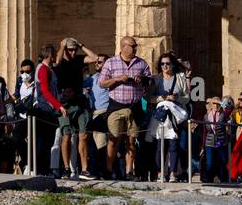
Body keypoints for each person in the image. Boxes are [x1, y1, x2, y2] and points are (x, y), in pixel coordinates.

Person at [99, 37, 152, 180]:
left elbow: (150, 80)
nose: (135, 48)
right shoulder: (111, 62)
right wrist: (117, 79)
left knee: (131, 140)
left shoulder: (141, 63)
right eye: (132, 46)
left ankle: (129, 172)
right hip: (116, 106)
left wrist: (142, 79)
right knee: (113, 139)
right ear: (123, 47)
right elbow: (102, 83)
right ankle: (108, 170)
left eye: (136, 46)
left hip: (134, 106)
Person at [146, 51, 190, 182]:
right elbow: (149, 98)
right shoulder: (156, 79)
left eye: (167, 64)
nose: (165, 66)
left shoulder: (180, 77)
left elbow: (187, 98)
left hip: (175, 114)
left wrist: (177, 98)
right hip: (161, 115)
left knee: (174, 145)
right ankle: (160, 172)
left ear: (172, 65)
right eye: (162, 64)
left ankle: (173, 173)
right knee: (160, 145)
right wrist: (163, 98)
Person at [53, 38, 93, 180]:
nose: (73, 52)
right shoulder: (60, 61)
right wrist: (62, 46)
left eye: (75, 49)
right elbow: (57, 62)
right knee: (66, 136)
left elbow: (94, 58)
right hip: (64, 104)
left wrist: (81, 45)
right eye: (71, 49)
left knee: (83, 135)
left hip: (79, 102)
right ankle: (65, 168)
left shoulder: (78, 59)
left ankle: (84, 169)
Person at [30, 44, 62, 175]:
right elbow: (45, 91)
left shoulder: (49, 69)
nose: (55, 57)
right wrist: (58, 105)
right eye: (54, 54)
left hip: (49, 109)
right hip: (44, 110)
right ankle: (39, 170)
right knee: (42, 142)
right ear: (49, 55)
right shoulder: (43, 69)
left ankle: (44, 169)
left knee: (47, 142)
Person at [200, 97, 228, 182]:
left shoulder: (223, 114)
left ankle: (223, 179)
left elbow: (227, 108)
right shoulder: (206, 116)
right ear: (211, 105)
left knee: (222, 161)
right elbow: (204, 132)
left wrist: (220, 102)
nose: (216, 105)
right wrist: (203, 146)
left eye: (218, 104)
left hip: (219, 141)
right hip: (209, 142)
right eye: (214, 103)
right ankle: (209, 179)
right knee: (209, 162)